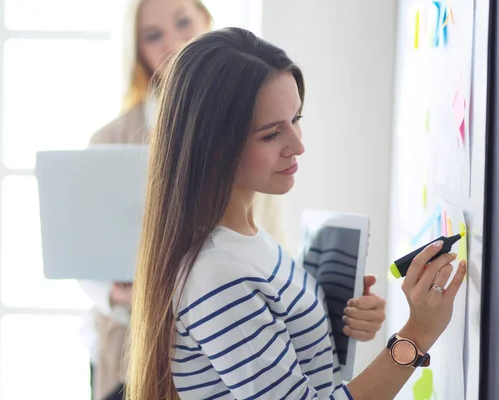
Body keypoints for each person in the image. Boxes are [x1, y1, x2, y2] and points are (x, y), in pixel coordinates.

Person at [127, 27, 467, 399]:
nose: (298, 145)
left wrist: (336, 321)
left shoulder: (245, 237)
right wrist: (417, 334)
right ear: (216, 147)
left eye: (296, 119)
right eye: (272, 134)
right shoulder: (218, 273)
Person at [77, 1, 212, 399]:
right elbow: (81, 256)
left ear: (207, 22)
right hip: (129, 350)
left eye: (184, 23)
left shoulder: (250, 130)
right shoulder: (109, 141)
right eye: (153, 36)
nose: (174, 42)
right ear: (136, 51)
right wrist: (118, 293)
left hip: (215, 342)